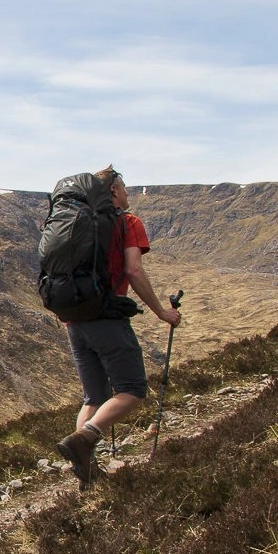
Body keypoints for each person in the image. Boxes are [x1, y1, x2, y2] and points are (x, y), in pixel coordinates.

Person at [57, 165, 181, 485]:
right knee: (132, 390)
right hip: (107, 320)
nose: (128, 193)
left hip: (75, 321)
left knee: (94, 398)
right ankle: (84, 439)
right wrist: (161, 312)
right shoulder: (128, 222)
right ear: (113, 191)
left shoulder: (73, 224)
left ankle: (86, 471)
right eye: (124, 187)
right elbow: (133, 270)